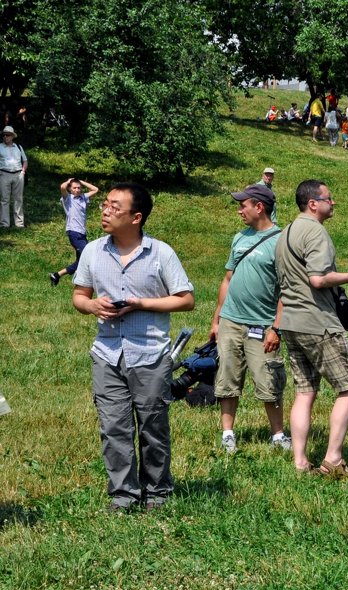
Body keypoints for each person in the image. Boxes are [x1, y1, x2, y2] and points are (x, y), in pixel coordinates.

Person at [71, 182, 195, 512]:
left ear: (136, 217)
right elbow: (78, 297)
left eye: (115, 207)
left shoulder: (160, 253)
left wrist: (140, 303)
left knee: (153, 426)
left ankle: (157, 493)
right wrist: (93, 306)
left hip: (151, 354)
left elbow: (186, 300)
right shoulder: (93, 251)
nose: (106, 210)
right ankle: (123, 496)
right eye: (105, 205)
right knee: (114, 428)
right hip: (107, 353)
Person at [274, 180, 348, 475]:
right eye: (329, 198)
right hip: (317, 321)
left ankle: (300, 461)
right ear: (313, 203)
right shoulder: (316, 231)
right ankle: (333, 458)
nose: (334, 203)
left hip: (290, 322)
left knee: (305, 392)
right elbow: (318, 278)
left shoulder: (285, 233)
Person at [209, 184, 289, 455]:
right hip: (231, 321)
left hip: (263, 325)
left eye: (244, 204)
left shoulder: (281, 242)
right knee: (227, 378)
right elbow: (227, 279)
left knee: (269, 380)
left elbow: (287, 291)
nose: (239, 209)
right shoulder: (239, 238)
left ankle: (278, 435)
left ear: (260, 207)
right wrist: (216, 320)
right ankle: (228, 434)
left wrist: (276, 327)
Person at [50, 177, 100, 286]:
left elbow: (95, 189)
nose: (77, 190)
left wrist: (80, 181)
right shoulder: (68, 198)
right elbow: (62, 187)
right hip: (73, 232)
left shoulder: (83, 197)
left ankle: (56, 275)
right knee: (88, 255)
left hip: (82, 233)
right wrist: (69, 181)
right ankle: (87, 281)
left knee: (80, 261)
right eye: (74, 188)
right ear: (70, 189)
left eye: (79, 188)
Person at [0, 126, 27, 228]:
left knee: (18, 199)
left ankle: (19, 224)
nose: (5, 137)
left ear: (12, 136)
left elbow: (25, 160)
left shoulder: (18, 147)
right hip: (4, 174)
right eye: (4, 135)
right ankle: (4, 224)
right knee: (4, 200)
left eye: (8, 135)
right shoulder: (0, 147)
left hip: (18, 174)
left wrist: (23, 172)